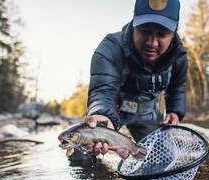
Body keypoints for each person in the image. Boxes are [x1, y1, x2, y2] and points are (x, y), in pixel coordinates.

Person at [71, 0, 187, 161]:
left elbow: (177, 87)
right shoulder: (109, 48)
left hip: (148, 114)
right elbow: (103, 90)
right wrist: (103, 115)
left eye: (161, 34)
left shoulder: (179, 55)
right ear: (134, 25)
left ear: (174, 33)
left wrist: (175, 111)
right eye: (145, 31)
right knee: (80, 153)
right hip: (113, 110)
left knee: (163, 160)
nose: (152, 43)